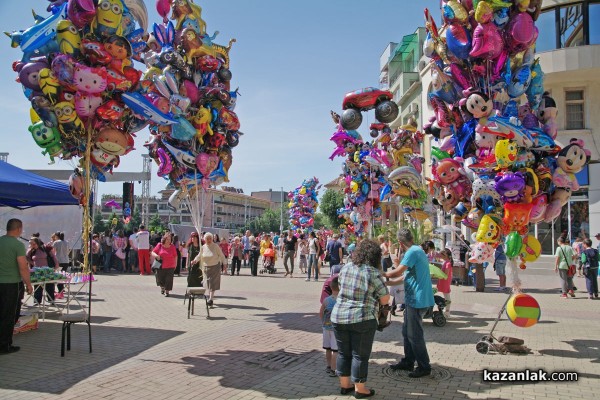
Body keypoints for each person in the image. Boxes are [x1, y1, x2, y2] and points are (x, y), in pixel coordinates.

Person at [331, 239, 390, 397]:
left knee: (343, 353)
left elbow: (340, 287)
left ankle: (345, 386)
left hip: (339, 316)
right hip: (362, 318)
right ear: (375, 256)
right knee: (360, 355)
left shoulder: (346, 268)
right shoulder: (372, 272)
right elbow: (385, 299)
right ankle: (360, 388)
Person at [385, 228, 435, 378]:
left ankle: (424, 366)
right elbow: (405, 277)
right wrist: (388, 282)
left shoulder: (412, 252)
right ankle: (408, 361)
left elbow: (398, 272)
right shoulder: (416, 250)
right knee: (407, 332)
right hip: (415, 299)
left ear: (400, 243)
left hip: (417, 300)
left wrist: (380, 273)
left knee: (415, 335)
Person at [0, 219, 33, 354]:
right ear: (18, 229)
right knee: (8, 315)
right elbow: (23, 268)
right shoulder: (18, 245)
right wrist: (29, 285)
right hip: (10, 284)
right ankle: (4, 345)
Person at [192, 232, 227, 305]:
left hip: (215, 267)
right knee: (208, 283)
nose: (209, 240)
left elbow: (222, 255)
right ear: (204, 239)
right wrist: (195, 260)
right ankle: (210, 297)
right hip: (206, 268)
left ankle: (210, 299)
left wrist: (225, 264)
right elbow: (199, 256)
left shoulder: (215, 246)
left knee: (212, 283)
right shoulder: (203, 247)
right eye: (207, 239)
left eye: (210, 238)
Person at [27, 237, 58, 305]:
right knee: (38, 287)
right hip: (37, 271)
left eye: (34, 244)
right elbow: (27, 257)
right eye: (31, 244)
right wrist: (33, 263)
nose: (32, 245)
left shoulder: (45, 248)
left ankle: (51, 300)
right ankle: (37, 301)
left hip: (47, 270)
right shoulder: (32, 250)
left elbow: (53, 256)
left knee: (49, 286)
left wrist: (56, 266)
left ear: (37, 243)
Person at [320, 276, 339, 378]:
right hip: (336, 328)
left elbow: (321, 312)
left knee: (328, 348)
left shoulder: (326, 300)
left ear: (331, 288)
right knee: (336, 350)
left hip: (326, 327)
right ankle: (333, 369)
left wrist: (323, 322)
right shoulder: (341, 300)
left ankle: (328, 366)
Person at [52, 232, 69, 298]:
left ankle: (60, 292)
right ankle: (61, 290)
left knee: (58, 276)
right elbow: (67, 251)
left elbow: (53, 252)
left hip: (59, 261)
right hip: (66, 260)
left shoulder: (56, 242)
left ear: (57, 236)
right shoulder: (66, 242)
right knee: (63, 275)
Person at [437, 249, 453, 318]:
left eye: (441, 254)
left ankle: (447, 312)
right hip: (443, 281)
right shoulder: (446, 262)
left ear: (445, 255)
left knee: (447, 298)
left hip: (445, 282)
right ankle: (446, 311)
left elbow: (445, 274)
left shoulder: (448, 263)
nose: (440, 256)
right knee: (447, 297)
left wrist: (438, 274)